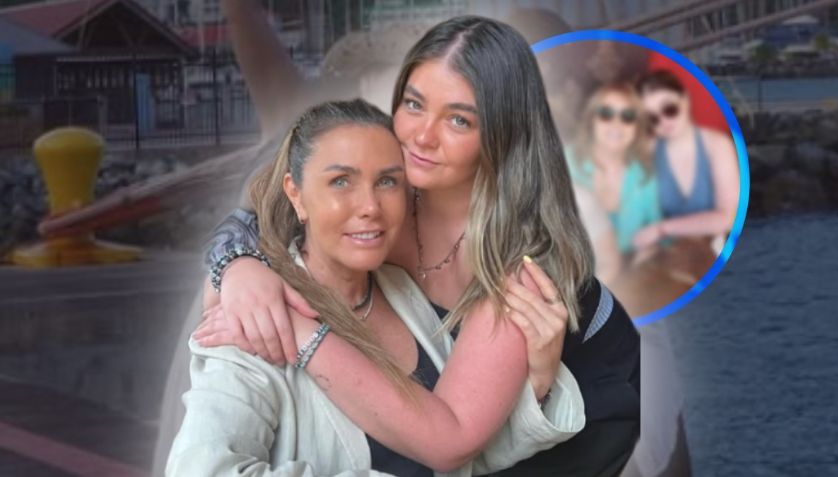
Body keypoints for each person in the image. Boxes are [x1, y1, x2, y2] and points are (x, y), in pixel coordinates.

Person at [187, 13, 639, 477]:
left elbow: (451, 440)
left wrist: (298, 332)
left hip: (585, 384)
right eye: (414, 104)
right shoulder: (375, 165)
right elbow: (255, 212)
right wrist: (237, 267)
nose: (422, 136)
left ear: (502, 134)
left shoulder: (520, 259)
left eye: (459, 120)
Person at [167, 99, 584, 476]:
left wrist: (537, 384)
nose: (370, 207)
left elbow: (455, 452)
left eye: (387, 182)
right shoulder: (253, 321)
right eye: (341, 181)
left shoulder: (403, 290)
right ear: (296, 194)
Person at [633, 70, 739, 252]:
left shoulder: (717, 145)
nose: (664, 121)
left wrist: (662, 229)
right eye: (652, 118)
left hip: (710, 253)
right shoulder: (647, 151)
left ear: (685, 99)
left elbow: (729, 217)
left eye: (670, 109)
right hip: (663, 255)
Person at [567, 82, 661, 260]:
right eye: (606, 114)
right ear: (591, 120)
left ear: (637, 127)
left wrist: (649, 251)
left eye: (628, 116)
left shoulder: (645, 177)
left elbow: (657, 231)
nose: (617, 123)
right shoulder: (562, 163)